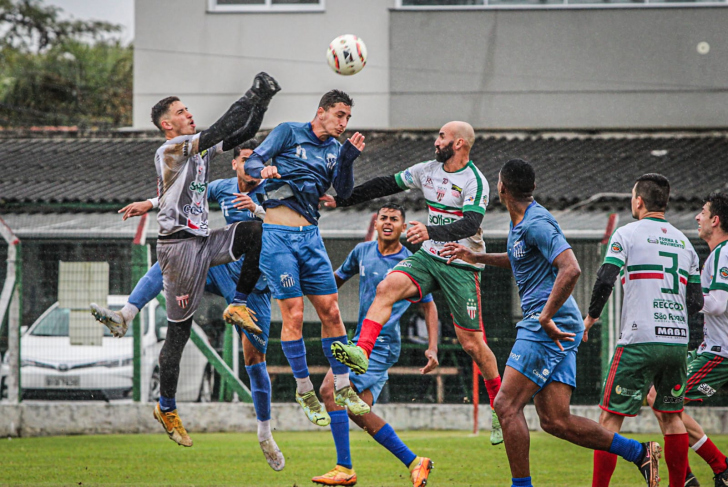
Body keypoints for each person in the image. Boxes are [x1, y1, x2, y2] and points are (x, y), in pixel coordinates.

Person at [441, 159, 662, 487]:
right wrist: (476, 257)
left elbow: (570, 267)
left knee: (505, 406)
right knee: (555, 420)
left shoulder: (536, 222)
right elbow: (519, 259)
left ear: (501, 188)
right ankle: (638, 452)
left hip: (547, 323)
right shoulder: (523, 224)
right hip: (558, 323)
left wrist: (544, 314)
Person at [100, 72, 278, 448]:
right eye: (182, 112)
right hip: (179, 249)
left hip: (201, 241)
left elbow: (238, 134)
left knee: (253, 231)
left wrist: (262, 103)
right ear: (168, 125)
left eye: (187, 110)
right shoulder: (170, 149)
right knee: (178, 336)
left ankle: (239, 304)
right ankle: (166, 407)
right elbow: (221, 128)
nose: (189, 115)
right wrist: (250, 93)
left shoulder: (195, 148)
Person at [322, 121, 504, 445]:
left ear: (459, 143)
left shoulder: (475, 181)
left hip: (461, 262)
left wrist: (430, 232)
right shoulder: (426, 171)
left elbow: (471, 224)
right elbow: (383, 185)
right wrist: (343, 199)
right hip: (429, 257)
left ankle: (501, 409)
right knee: (386, 288)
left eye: (442, 136)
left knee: (472, 344)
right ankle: (362, 350)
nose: (436, 141)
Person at [243, 90, 368, 426]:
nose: (344, 123)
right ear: (321, 112)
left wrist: (348, 159)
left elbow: (342, 194)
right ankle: (303, 389)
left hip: (310, 238)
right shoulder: (288, 131)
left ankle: (342, 386)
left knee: (331, 310)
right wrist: (263, 170)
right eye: (339, 115)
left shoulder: (335, 150)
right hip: (278, 237)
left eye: (348, 118)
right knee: (294, 313)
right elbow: (252, 161)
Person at [582, 174, 703, 487]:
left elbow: (606, 277)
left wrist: (591, 316)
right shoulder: (685, 241)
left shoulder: (627, 233)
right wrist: (691, 343)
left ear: (639, 201)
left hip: (639, 340)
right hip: (677, 341)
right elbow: (695, 301)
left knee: (610, 418)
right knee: (673, 417)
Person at [312, 203, 438, 487]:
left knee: (329, 390)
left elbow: (429, 307)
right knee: (357, 412)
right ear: (376, 222)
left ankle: (344, 468)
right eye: (384, 218)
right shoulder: (362, 252)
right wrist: (309, 286)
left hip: (383, 343)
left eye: (395, 219)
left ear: (404, 228)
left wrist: (433, 347)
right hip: (361, 341)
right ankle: (416, 462)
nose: (389, 222)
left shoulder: (411, 262)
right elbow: (335, 281)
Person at [644, 191, 728, 487]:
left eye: (703, 212)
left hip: (720, 355)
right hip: (711, 350)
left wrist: (681, 295)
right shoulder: (718, 254)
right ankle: (693, 476)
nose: (697, 217)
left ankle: (716, 469)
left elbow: (718, 303)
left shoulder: (723, 252)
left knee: (664, 401)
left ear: (715, 220)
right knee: (660, 398)